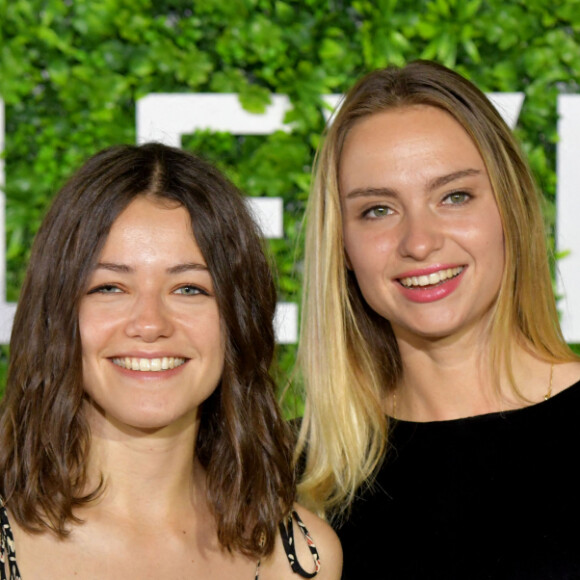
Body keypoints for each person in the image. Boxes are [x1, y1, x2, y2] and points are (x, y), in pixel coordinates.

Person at [0, 143, 342, 579]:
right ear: (57, 313)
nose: (149, 324)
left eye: (189, 289)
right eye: (109, 287)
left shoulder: (300, 558)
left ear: (237, 320)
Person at [295, 60, 580, 579]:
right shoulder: (299, 475)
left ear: (510, 211)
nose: (420, 241)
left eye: (454, 197)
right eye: (378, 210)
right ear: (342, 247)